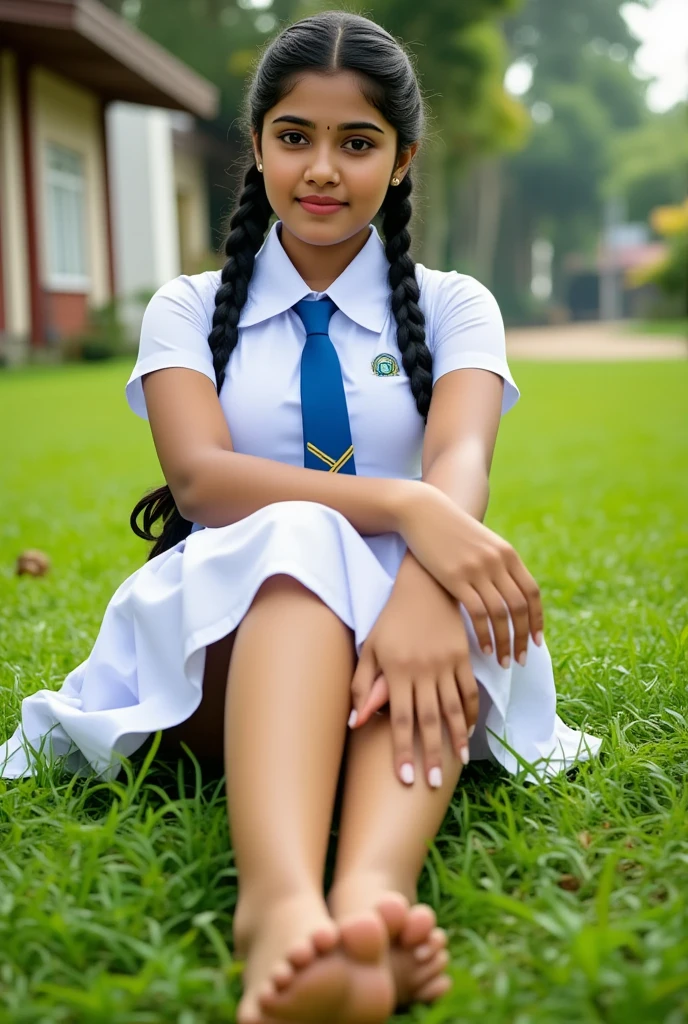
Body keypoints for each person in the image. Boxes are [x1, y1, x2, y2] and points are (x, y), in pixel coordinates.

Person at [0, 11, 602, 1023]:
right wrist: (404, 506)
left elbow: (460, 455)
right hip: (224, 648)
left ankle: (369, 910)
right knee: (300, 537)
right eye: (295, 137)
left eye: (357, 143)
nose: (322, 168)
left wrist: (420, 585)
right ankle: (276, 913)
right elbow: (201, 478)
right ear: (259, 145)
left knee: (450, 595)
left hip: (401, 649)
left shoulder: (454, 303)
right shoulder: (188, 307)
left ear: (403, 159)